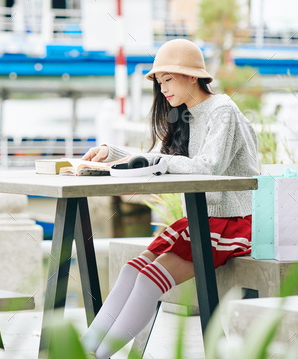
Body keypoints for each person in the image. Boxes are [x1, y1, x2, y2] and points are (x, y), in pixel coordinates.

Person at [79, 39, 260, 359]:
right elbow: (162, 157)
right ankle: (83, 350)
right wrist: (112, 155)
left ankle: (98, 355)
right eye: (159, 82)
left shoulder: (223, 111)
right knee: (132, 270)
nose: (162, 89)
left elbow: (208, 169)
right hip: (206, 218)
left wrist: (155, 163)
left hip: (235, 221)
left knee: (148, 280)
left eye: (169, 79)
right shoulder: (186, 116)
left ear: (193, 76)